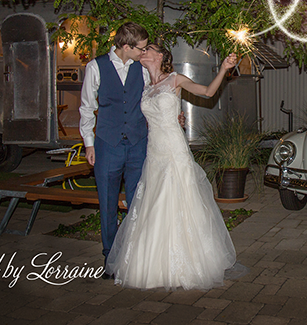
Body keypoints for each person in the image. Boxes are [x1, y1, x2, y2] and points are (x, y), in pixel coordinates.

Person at [105, 43, 241, 290]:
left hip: (174, 150)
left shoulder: (175, 79)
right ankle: (152, 264)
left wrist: (223, 68)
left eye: (149, 49)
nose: (143, 52)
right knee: (153, 202)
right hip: (153, 152)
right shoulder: (145, 86)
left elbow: (208, 93)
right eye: (141, 50)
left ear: (161, 56)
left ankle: (186, 262)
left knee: (179, 199)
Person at [78, 22, 150, 273]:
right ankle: (110, 257)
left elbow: (149, 99)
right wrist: (89, 144)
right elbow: (87, 108)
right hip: (107, 144)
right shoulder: (96, 67)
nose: (144, 52)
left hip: (138, 144)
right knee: (107, 203)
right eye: (141, 48)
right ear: (126, 46)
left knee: (137, 201)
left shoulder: (141, 68)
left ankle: (133, 254)